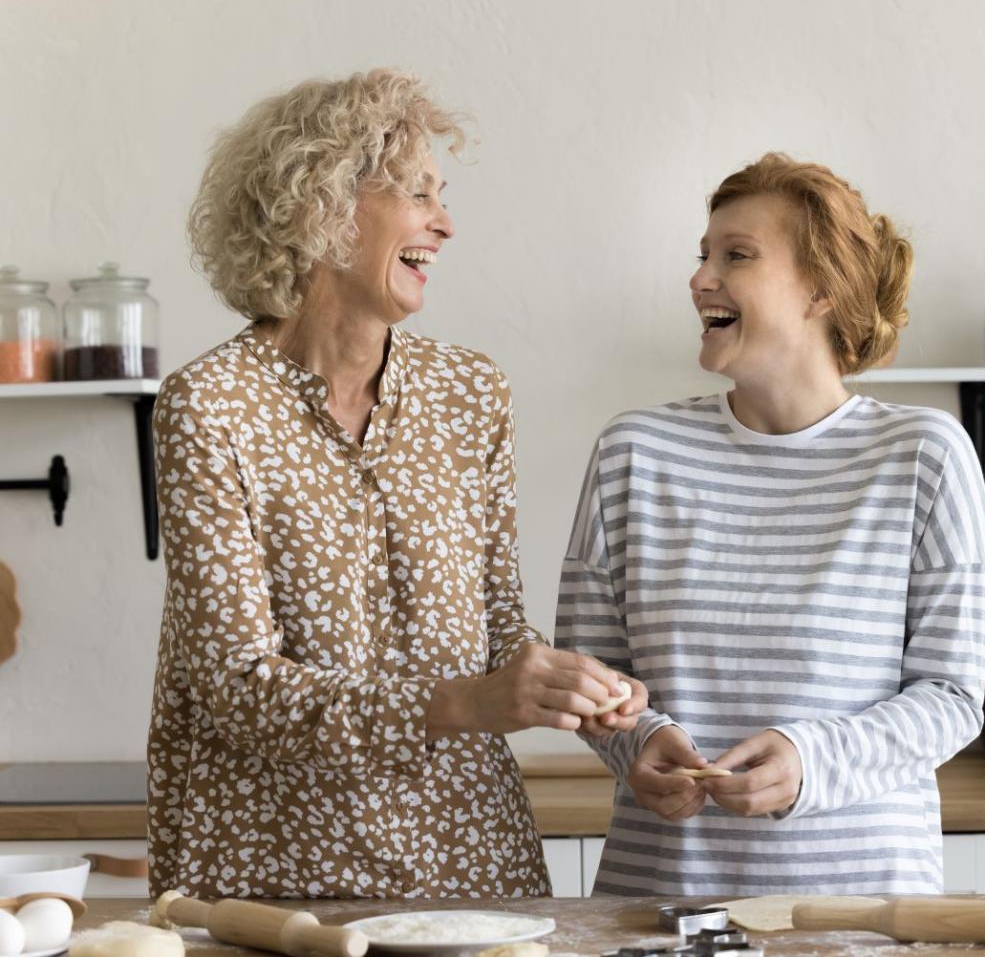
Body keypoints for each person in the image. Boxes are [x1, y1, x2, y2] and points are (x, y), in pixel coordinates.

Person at [148, 69, 645, 899]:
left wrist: (557, 683)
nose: (445, 224)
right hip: (274, 875)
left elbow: (496, 623)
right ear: (322, 207)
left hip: (468, 860)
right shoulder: (212, 407)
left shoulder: (470, 392)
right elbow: (238, 690)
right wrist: (470, 702)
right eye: (418, 193)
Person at [556, 153, 985, 895]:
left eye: (738, 256)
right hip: (662, 907)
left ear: (821, 290)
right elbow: (591, 671)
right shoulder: (634, 453)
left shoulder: (924, 455)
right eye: (704, 255)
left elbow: (951, 699)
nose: (700, 279)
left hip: (862, 919)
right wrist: (641, 740)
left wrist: (810, 762)